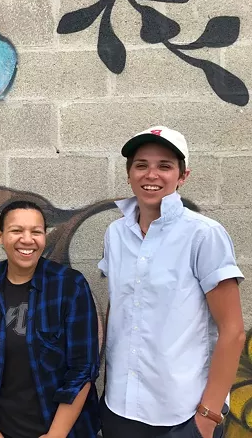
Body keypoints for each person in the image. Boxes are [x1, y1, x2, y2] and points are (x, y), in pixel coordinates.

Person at [99, 126, 246, 438]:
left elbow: (232, 331)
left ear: (182, 176)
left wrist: (207, 417)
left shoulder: (203, 235)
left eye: (164, 166)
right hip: (118, 409)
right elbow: (120, 306)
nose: (151, 174)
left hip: (182, 416)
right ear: (129, 175)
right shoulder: (115, 234)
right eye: (141, 165)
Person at [0, 200, 100, 438]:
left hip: (58, 428)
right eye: (16, 231)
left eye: (36, 232)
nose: (27, 239)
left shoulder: (69, 286)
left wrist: (56, 434)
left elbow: (83, 368)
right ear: (0, 236)